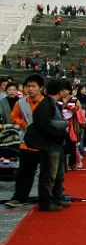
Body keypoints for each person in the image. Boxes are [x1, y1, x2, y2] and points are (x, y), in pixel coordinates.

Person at [25, 79, 70, 211]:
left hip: (57, 144)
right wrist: (60, 132)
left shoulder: (53, 104)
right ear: (60, 91)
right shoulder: (46, 105)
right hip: (50, 144)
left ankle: (57, 198)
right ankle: (45, 202)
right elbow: (43, 125)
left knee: (58, 174)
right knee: (49, 174)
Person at [4, 75, 46, 208]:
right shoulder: (21, 103)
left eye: (34, 86)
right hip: (26, 142)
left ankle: (47, 197)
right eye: (28, 86)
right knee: (24, 171)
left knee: (47, 172)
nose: (31, 89)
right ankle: (19, 197)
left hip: (45, 142)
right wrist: (23, 123)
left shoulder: (47, 102)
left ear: (41, 88)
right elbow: (13, 116)